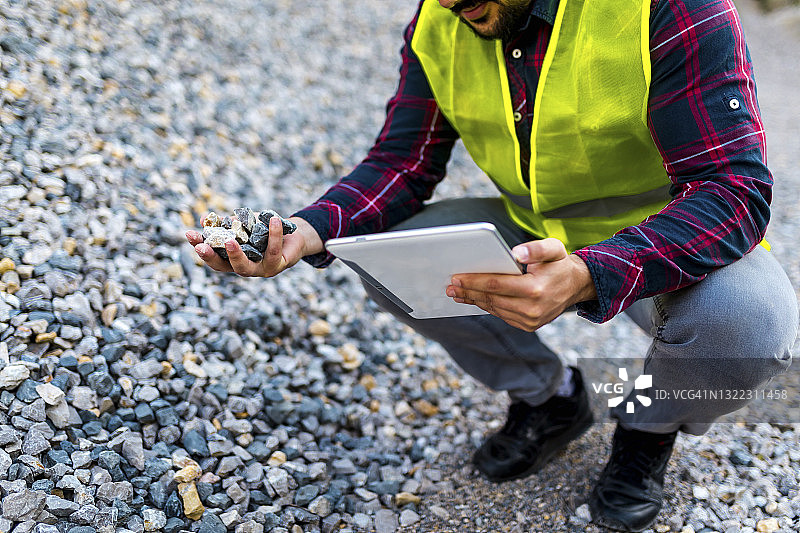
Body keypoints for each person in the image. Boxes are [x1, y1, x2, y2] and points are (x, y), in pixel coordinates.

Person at [186, 0, 798, 530]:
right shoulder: (438, 23)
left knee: (747, 328)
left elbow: (731, 190)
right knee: (388, 259)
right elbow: (402, 162)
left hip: (662, 237)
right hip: (536, 228)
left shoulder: (667, 8)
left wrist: (593, 271)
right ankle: (556, 397)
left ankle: (644, 426)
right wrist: (305, 233)